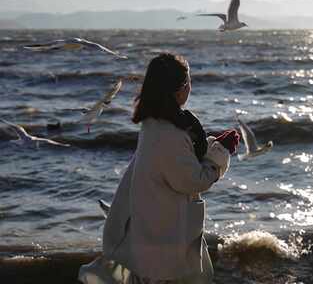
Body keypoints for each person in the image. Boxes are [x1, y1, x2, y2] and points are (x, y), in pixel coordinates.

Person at [79, 53, 239, 284]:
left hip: (152, 222)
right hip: (163, 232)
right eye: (188, 81)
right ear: (179, 89)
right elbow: (192, 180)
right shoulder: (169, 133)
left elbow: (177, 161)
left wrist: (212, 145)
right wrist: (219, 156)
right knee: (167, 276)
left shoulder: (155, 123)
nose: (190, 87)